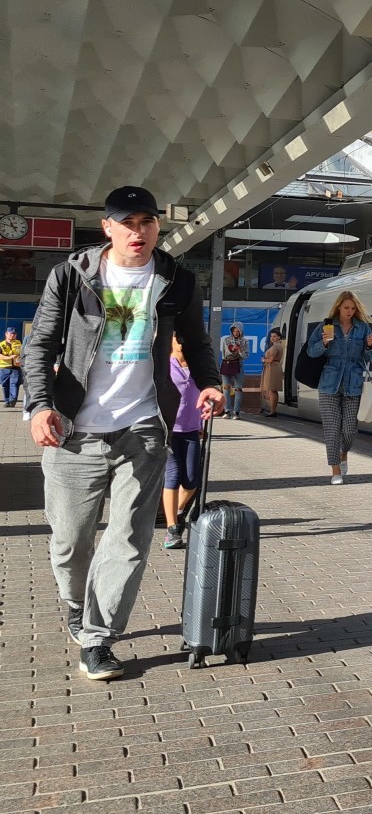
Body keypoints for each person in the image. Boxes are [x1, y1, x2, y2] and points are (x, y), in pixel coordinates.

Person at [23, 185, 224, 681]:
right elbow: (41, 342)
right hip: (74, 430)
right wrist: (39, 405)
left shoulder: (175, 278)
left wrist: (211, 384)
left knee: (130, 539)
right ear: (107, 227)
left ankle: (98, 637)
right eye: (128, 223)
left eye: (147, 222)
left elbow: (196, 342)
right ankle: (75, 604)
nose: (139, 232)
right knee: (70, 542)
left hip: (143, 427)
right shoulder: (71, 275)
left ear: (158, 226)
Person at [306, 291, 372, 484]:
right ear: (339, 307)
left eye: (353, 308)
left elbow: (367, 358)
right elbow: (311, 352)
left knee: (349, 430)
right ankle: (335, 471)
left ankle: (343, 453)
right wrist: (324, 343)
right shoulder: (328, 325)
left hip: (353, 382)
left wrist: (369, 347)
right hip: (329, 382)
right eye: (346, 308)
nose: (350, 311)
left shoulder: (362, 328)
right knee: (332, 428)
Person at [162, 337, 203, 550]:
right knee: (173, 474)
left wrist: (202, 420)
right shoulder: (164, 364)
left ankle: (177, 512)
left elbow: (203, 394)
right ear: (172, 340)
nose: (183, 343)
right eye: (180, 339)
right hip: (168, 430)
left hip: (191, 430)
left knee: (191, 481)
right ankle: (172, 530)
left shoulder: (198, 365)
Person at [218, 323, 246, 419]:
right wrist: (234, 350)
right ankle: (227, 411)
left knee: (238, 388)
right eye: (234, 331)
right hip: (227, 364)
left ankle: (236, 412)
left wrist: (240, 351)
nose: (236, 333)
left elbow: (246, 356)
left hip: (238, 364)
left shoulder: (245, 341)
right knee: (226, 388)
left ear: (241, 331)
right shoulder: (226, 340)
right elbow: (225, 353)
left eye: (238, 331)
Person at [258, 327, 283, 416]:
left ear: (279, 337)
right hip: (275, 367)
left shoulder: (275, 346)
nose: (272, 338)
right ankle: (273, 410)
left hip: (272, 368)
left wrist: (264, 360)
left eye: (275, 336)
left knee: (272, 390)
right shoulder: (278, 345)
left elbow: (271, 359)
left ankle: (273, 411)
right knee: (273, 390)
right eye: (271, 336)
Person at [0, 324, 22, 407]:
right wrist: (9, 358)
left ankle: (13, 400)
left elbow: (21, 354)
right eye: (11, 333)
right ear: (6, 334)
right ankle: (7, 401)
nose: (13, 335)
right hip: (4, 368)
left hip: (16, 367)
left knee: (15, 383)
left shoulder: (19, 343)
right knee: (5, 385)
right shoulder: (1, 344)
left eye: (14, 334)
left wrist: (20, 360)